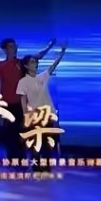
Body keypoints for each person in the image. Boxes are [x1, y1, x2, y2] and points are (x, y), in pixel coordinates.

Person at [0, 38, 55, 162]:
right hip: (7, 104)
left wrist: (49, 46)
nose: (14, 48)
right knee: (9, 132)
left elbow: (38, 57)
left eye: (15, 46)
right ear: (5, 49)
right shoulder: (0, 65)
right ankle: (12, 159)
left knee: (22, 130)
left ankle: (22, 157)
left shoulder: (21, 63)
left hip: (21, 103)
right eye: (11, 46)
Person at [16, 43, 66, 172]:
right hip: (34, 116)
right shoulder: (23, 82)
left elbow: (53, 66)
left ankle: (47, 167)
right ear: (26, 66)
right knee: (36, 143)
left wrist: (62, 52)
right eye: (32, 62)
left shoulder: (42, 77)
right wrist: (26, 116)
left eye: (35, 62)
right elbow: (23, 100)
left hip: (47, 115)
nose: (35, 64)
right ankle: (36, 167)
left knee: (47, 143)